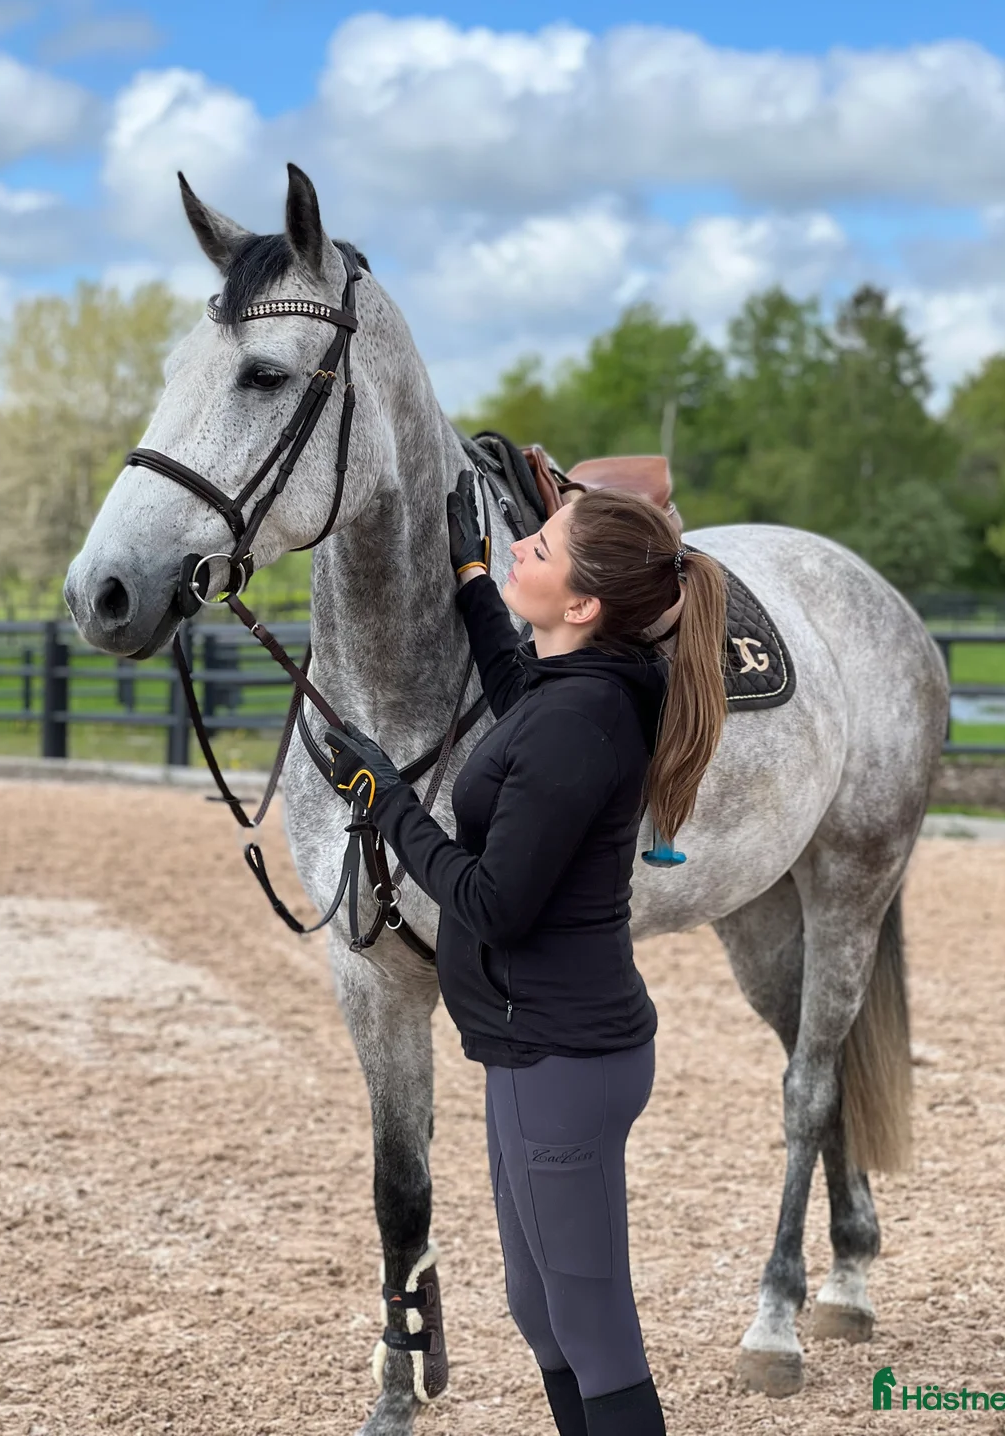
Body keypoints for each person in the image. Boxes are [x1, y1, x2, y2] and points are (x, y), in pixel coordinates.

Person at [327, 475, 729, 1435]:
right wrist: (474, 579)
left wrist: (389, 804)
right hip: (532, 1049)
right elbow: (519, 693)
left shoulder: (579, 722)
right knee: (539, 1309)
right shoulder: (579, 691)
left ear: (582, 607)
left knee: (592, 1328)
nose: (519, 546)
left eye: (538, 547)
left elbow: (492, 905)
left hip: (562, 1059)